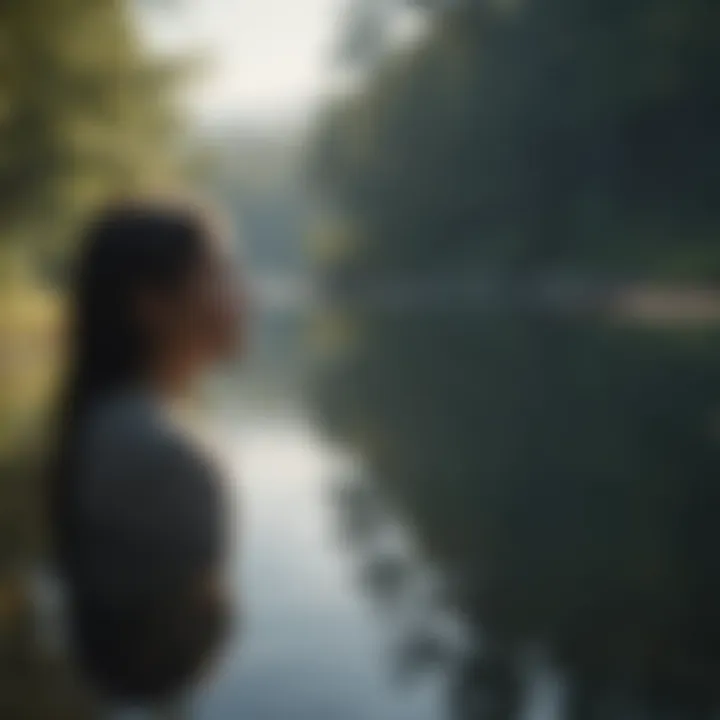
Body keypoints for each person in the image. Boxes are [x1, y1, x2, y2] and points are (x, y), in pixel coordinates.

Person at [47, 198, 244, 713]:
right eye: (217, 275)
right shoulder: (162, 457)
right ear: (150, 304)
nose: (242, 295)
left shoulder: (108, 424)